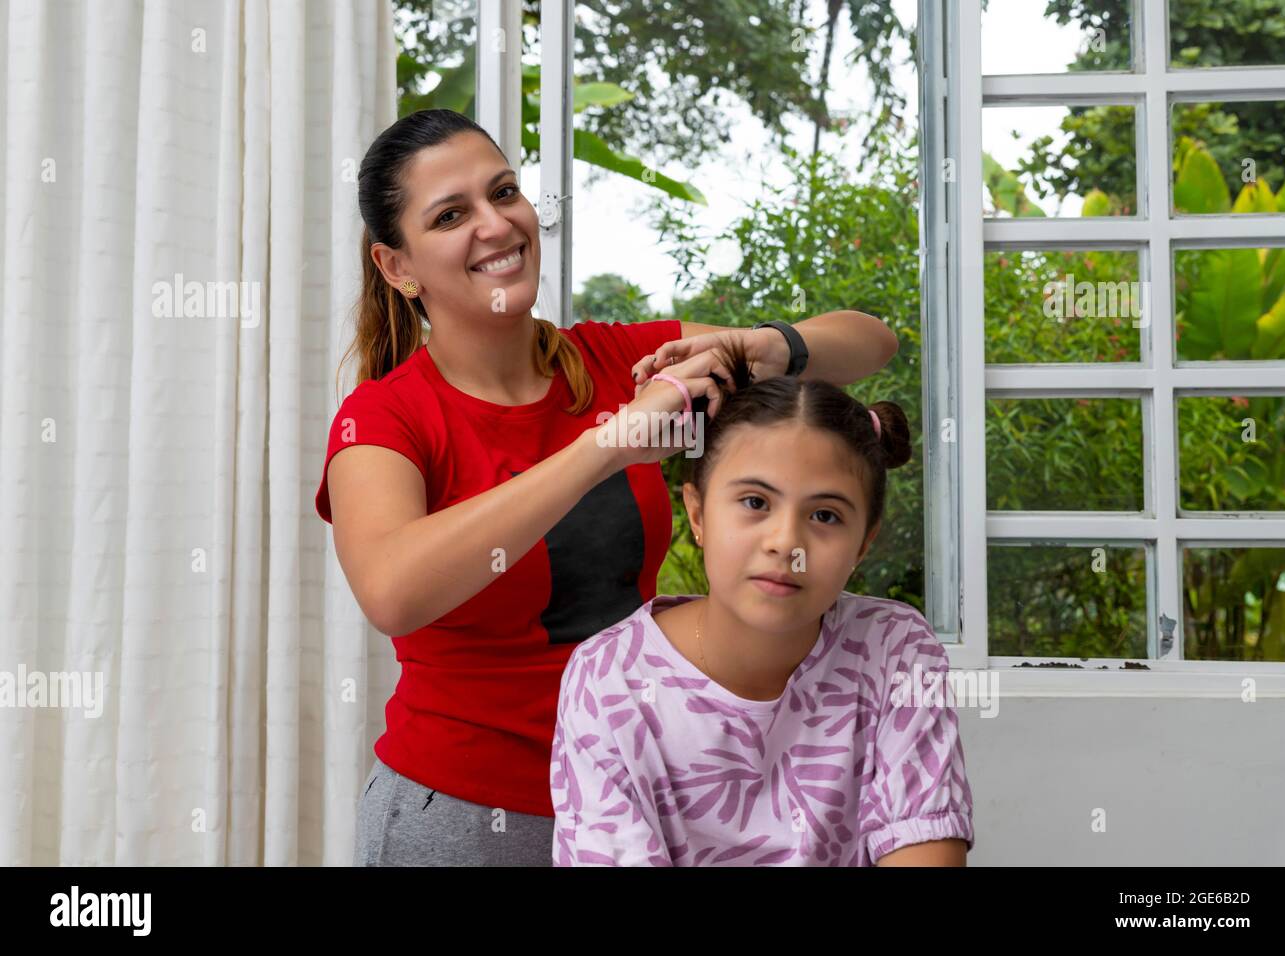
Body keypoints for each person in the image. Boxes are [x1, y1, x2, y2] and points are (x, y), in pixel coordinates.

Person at [315, 108, 901, 866]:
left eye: (505, 193)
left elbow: (871, 343)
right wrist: (609, 445)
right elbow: (392, 590)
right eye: (453, 214)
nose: (496, 225)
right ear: (398, 267)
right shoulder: (386, 417)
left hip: (636, 800)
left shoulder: (618, 359)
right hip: (464, 818)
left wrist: (765, 345)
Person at [550, 339, 974, 866]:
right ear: (698, 514)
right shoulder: (608, 679)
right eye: (755, 502)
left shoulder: (894, 650)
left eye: (825, 516)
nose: (785, 542)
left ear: (863, 542)